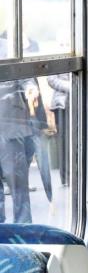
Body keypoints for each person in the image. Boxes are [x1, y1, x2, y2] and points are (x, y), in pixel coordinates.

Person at [0, 78, 36, 223]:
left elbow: (25, 76)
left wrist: (31, 89)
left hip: (11, 127)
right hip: (12, 127)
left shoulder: (7, 53)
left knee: (18, 184)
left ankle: (23, 231)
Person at [47, 73, 70, 186]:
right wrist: (71, 86)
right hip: (62, 104)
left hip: (81, 99)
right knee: (64, 141)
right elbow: (51, 79)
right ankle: (66, 177)